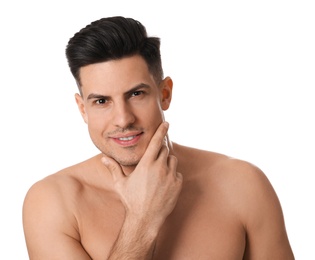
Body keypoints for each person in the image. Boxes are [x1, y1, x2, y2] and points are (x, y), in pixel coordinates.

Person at [22, 16, 294, 259]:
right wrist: (142, 219)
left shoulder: (242, 185)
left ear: (164, 94)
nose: (123, 119)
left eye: (136, 94)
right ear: (83, 108)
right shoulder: (53, 203)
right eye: (102, 101)